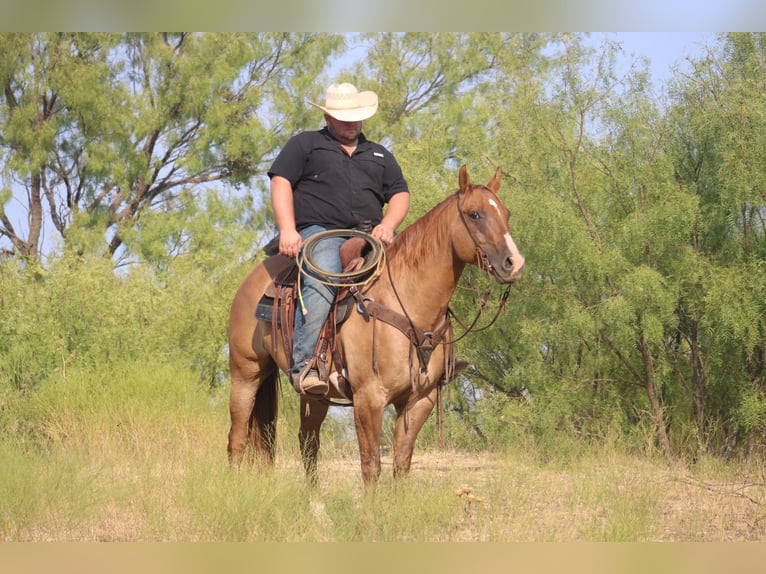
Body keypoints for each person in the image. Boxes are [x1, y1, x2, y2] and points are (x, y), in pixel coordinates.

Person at [268, 83, 411, 396]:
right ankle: (305, 365)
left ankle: (430, 359)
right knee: (323, 276)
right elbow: (281, 182)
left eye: (357, 117)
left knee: (415, 270)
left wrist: (388, 224)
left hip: (373, 233)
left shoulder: (378, 154)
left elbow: (399, 193)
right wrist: (288, 229)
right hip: (321, 232)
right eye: (344, 117)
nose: (352, 123)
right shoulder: (306, 144)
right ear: (329, 117)